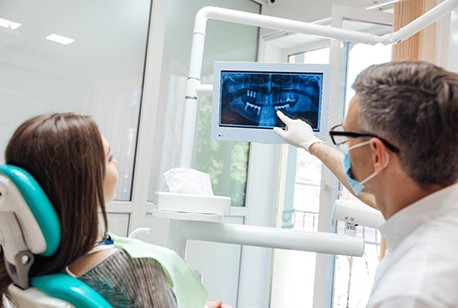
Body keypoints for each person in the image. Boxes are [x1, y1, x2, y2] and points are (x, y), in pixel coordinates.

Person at [274, 60, 458, 307]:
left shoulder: (410, 292)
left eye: (346, 136)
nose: (345, 147)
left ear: (377, 155)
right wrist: (311, 143)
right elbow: (374, 192)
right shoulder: (438, 210)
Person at [0, 113, 224, 308]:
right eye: (108, 158)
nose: (116, 161)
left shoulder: (31, 267)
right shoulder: (135, 271)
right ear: (82, 185)